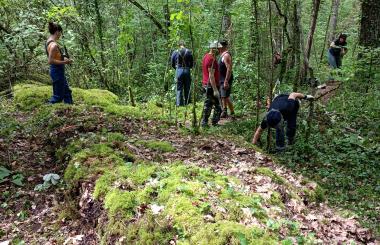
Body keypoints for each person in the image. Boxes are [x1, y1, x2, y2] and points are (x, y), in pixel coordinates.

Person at [46, 22, 73, 104]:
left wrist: (63, 57)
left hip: (58, 71)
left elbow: (55, 56)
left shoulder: (49, 41)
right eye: (60, 32)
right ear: (57, 31)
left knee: (67, 92)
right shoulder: (53, 45)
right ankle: (46, 108)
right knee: (58, 96)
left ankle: (70, 108)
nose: (60, 35)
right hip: (56, 71)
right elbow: (50, 61)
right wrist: (65, 61)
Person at [201, 41, 222, 127]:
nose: (219, 50)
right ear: (214, 49)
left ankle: (206, 123)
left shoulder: (207, 56)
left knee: (208, 104)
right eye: (218, 49)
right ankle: (211, 123)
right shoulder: (211, 59)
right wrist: (215, 90)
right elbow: (211, 75)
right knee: (217, 106)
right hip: (210, 86)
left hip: (207, 84)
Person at [171, 41, 194, 106]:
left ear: (178, 45)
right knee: (187, 87)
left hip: (179, 70)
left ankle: (179, 104)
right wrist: (188, 67)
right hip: (187, 70)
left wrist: (177, 69)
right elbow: (192, 63)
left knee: (179, 88)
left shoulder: (175, 52)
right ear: (184, 44)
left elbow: (172, 63)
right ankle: (188, 103)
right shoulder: (189, 51)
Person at [218, 40, 235, 118]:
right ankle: (231, 112)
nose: (218, 48)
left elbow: (229, 69)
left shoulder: (226, 55)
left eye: (219, 46)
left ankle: (225, 111)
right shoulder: (222, 55)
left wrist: (226, 81)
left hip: (225, 79)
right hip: (222, 78)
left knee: (224, 95)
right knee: (225, 96)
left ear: (222, 46)